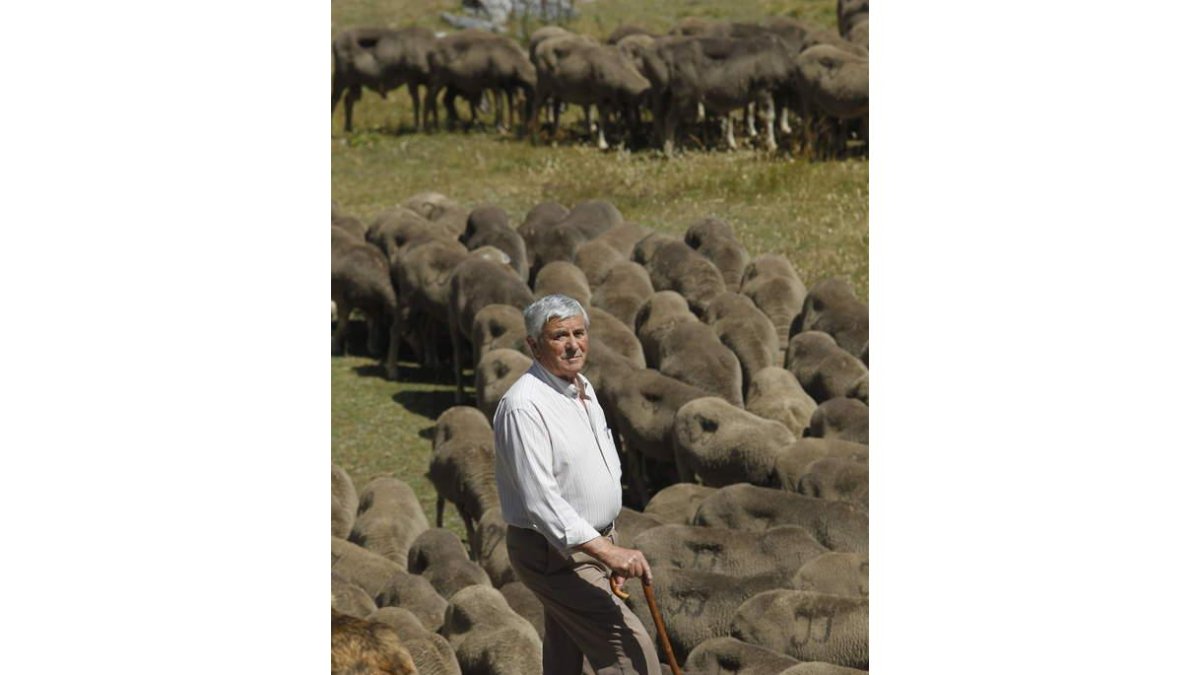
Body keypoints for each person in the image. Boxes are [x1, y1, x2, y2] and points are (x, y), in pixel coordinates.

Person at [492, 294, 661, 675]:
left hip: (589, 545)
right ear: (533, 345)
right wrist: (605, 552)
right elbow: (541, 502)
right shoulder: (524, 407)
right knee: (630, 653)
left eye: (579, 333)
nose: (572, 345)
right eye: (558, 336)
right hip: (556, 553)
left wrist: (609, 546)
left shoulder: (582, 387)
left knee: (566, 656)